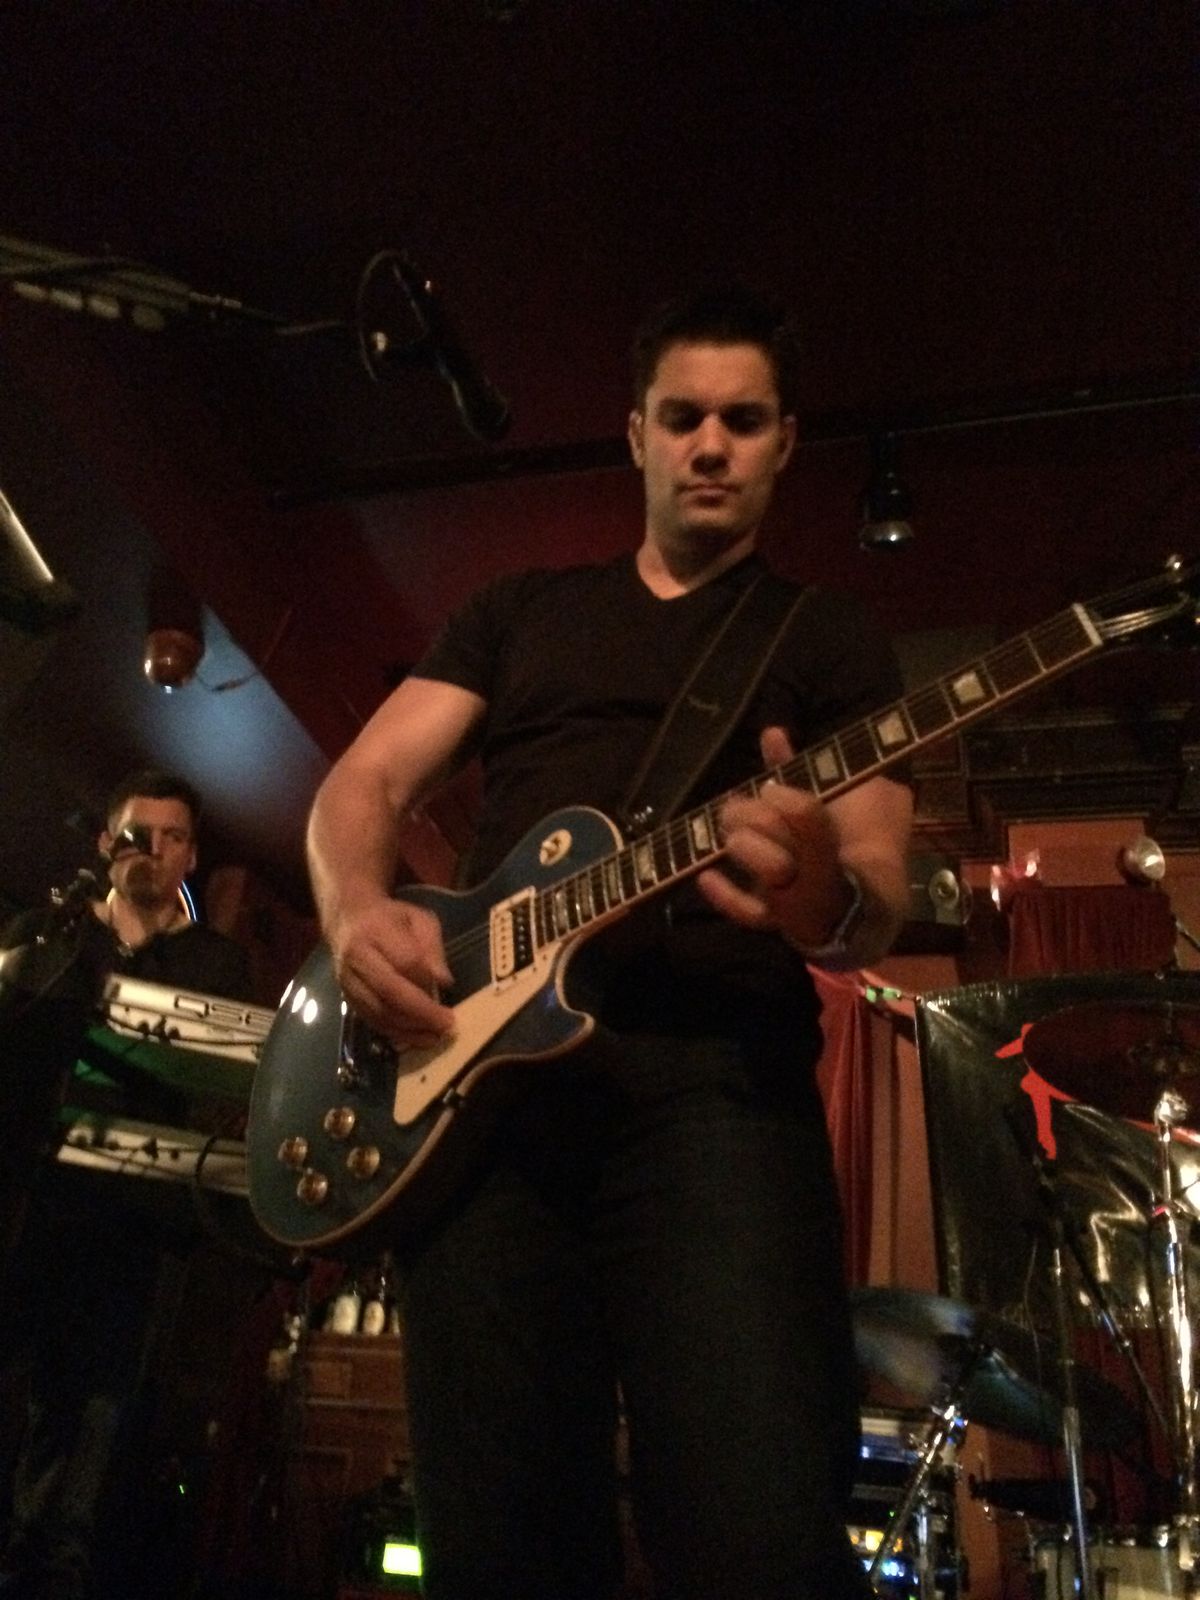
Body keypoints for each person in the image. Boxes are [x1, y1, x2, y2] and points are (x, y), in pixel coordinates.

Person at [305, 286, 914, 1599]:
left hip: (718, 1094)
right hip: (486, 1106)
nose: (711, 445)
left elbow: (876, 895)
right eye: (683, 417)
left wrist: (816, 896)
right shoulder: (517, 610)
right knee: (497, 1543)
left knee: (758, 1531)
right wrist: (355, 909)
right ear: (636, 434)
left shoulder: (827, 638)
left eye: (742, 420)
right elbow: (364, 782)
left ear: (785, 443)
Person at [0, 768, 252, 1600]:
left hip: (134, 1223)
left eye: (175, 838)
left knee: (93, 1412)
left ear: (192, 856)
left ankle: (50, 1570)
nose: (156, 850)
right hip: (29, 1202)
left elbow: (224, 1090)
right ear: (109, 843)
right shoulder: (53, 932)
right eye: (141, 834)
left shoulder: (216, 963)